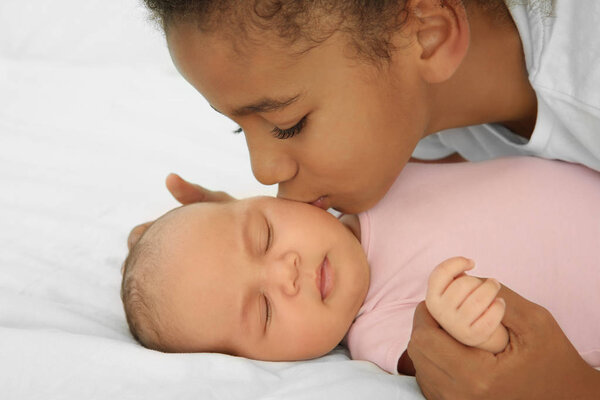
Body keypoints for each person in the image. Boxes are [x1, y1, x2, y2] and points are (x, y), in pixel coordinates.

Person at [131, 0, 600, 397]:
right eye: (241, 126)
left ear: (428, 34)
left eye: (288, 124)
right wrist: (212, 247)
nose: (263, 172)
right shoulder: (423, 141)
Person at [122, 158, 600, 378]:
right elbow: (472, 368)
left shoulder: (369, 177)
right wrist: (472, 329)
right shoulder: (380, 335)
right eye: (264, 311)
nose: (285, 274)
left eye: (265, 235)